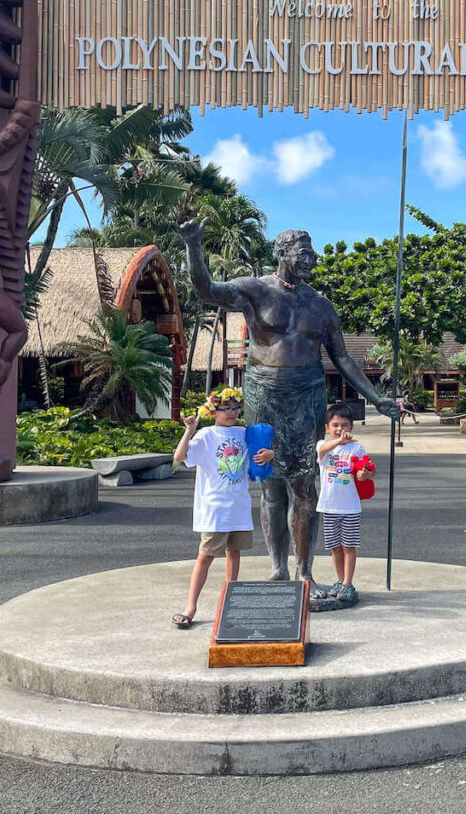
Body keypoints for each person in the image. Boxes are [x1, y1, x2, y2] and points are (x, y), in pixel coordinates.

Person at [180, 221, 397, 585]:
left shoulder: (321, 305)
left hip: (306, 395)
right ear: (281, 255)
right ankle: (278, 567)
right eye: (303, 254)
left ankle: (305, 570)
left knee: (303, 486)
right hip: (264, 393)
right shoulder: (255, 291)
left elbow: (342, 358)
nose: (311, 260)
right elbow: (206, 291)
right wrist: (193, 243)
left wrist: (376, 397)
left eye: (312, 253)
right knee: (271, 485)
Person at [170, 388, 274, 629]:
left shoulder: (244, 433)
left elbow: (262, 453)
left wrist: (271, 454)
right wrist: (189, 431)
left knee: (234, 554)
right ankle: (191, 607)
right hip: (214, 508)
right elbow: (180, 456)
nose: (232, 413)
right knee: (205, 556)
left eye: (236, 408)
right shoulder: (206, 435)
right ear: (213, 411)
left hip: (239, 505)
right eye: (226, 409)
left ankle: (229, 601)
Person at [315, 403, 374, 603]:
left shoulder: (356, 448)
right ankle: (340, 580)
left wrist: (365, 474)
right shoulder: (323, 446)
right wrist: (339, 441)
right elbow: (322, 450)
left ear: (352, 427)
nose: (340, 429)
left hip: (350, 506)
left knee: (348, 545)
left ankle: (348, 583)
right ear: (327, 427)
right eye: (335, 425)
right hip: (329, 505)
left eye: (345, 425)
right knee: (334, 546)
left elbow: (369, 469)